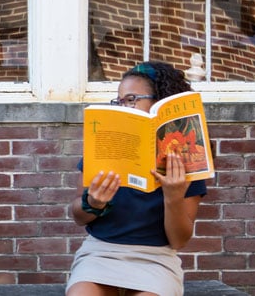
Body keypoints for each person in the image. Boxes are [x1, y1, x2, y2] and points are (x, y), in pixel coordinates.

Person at [66, 61, 207, 296]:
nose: (124, 106)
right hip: (101, 253)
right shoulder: (104, 148)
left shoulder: (186, 158)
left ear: (159, 102)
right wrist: (93, 203)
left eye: (131, 99)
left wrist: (173, 196)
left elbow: (179, 240)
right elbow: (78, 217)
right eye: (119, 101)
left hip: (155, 259)